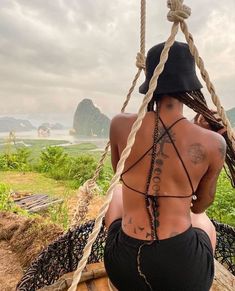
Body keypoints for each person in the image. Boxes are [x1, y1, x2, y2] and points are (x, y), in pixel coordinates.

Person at [103, 41, 226, 291]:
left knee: (116, 194)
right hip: (183, 275)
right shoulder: (214, 143)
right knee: (204, 223)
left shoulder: (119, 125)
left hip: (124, 267)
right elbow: (200, 204)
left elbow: (121, 174)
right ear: (190, 86)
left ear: (150, 83)